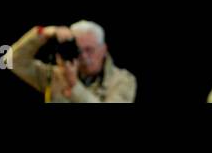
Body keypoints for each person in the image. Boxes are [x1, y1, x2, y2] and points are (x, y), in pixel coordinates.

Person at [7, 20, 137, 102]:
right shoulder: (56, 75)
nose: (84, 57)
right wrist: (43, 33)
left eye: (89, 50)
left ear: (104, 49)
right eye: (79, 51)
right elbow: (10, 61)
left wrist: (74, 86)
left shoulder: (123, 80)